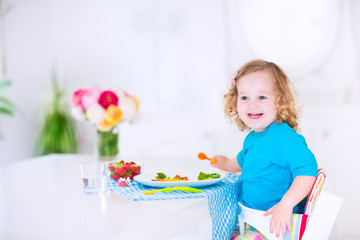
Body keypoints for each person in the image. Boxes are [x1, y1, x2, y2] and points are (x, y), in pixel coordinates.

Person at [211, 59, 318, 239]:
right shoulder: (252, 139)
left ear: (280, 100)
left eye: (262, 97)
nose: (252, 104)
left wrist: (286, 204)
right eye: (244, 97)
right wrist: (223, 163)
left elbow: (307, 172)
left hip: (274, 225)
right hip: (250, 221)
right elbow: (239, 162)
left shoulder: (287, 139)